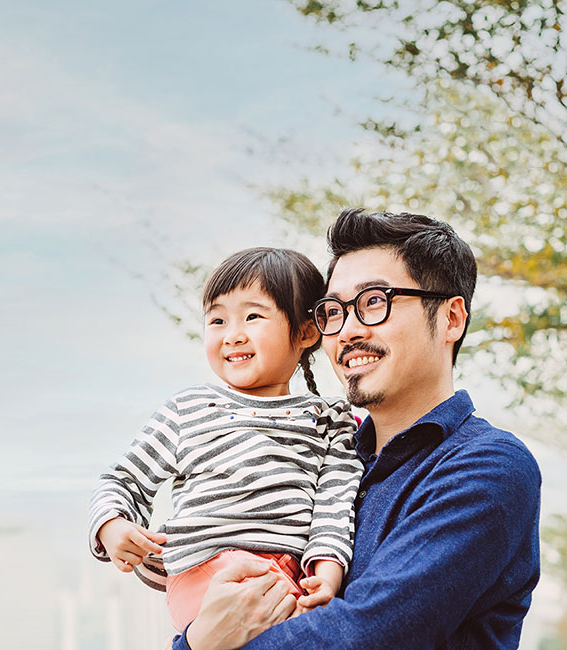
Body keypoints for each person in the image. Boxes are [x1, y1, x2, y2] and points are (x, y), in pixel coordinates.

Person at [173, 208, 541, 650]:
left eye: (373, 302)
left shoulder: (487, 466)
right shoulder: (320, 459)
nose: (346, 330)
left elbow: (366, 634)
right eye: (333, 311)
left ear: (451, 318)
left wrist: (195, 646)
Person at [87, 247, 363, 632]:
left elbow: (336, 504)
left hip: (288, 576)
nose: (232, 335)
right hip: (202, 571)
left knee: (315, 628)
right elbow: (123, 480)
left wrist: (328, 572)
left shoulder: (329, 420)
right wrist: (112, 525)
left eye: (252, 316)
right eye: (217, 320)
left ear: (305, 331)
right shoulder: (188, 409)